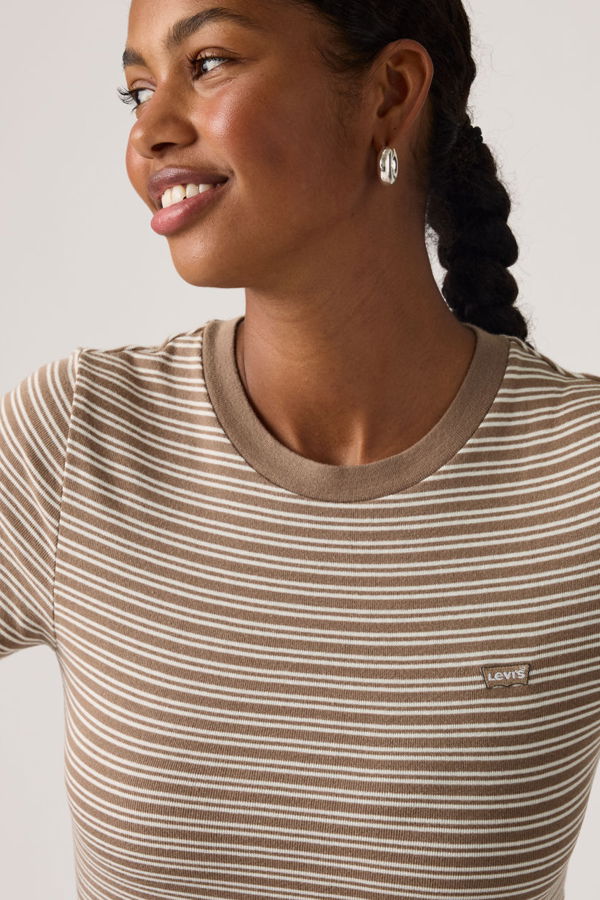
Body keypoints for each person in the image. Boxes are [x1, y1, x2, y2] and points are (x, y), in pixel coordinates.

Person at [1, 1, 598, 898]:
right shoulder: (82, 438)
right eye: (137, 91)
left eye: (207, 64)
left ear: (389, 93)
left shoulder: (581, 474)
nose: (148, 134)